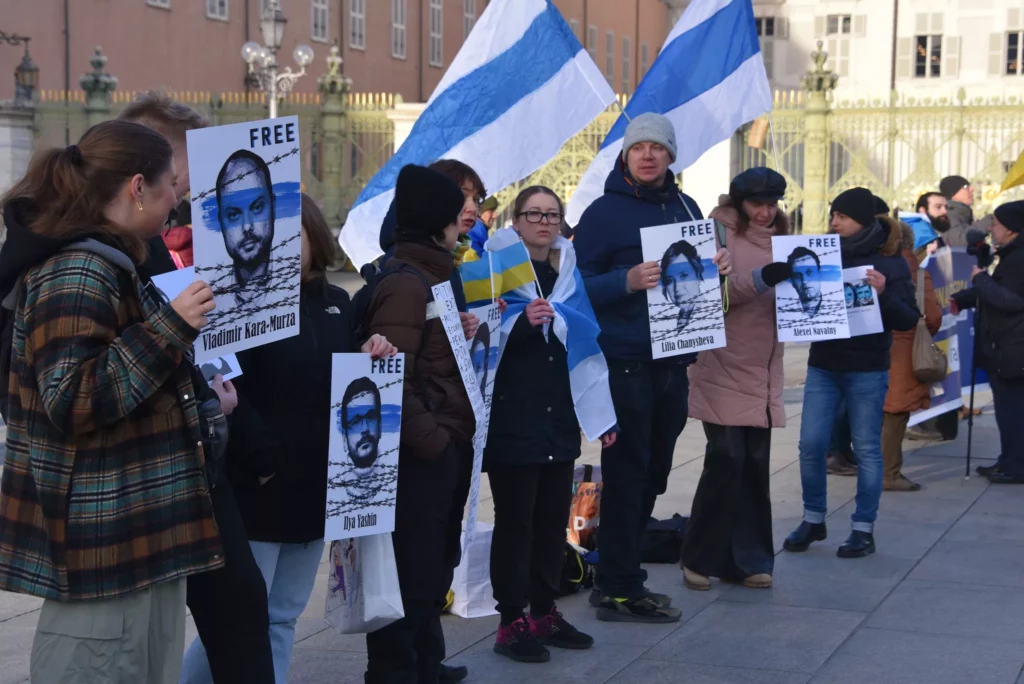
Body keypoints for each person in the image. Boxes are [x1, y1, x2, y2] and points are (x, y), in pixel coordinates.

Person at [0, 120, 221, 684]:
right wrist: (170, 328)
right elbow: (72, 399)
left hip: (135, 539)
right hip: (104, 546)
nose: (180, 197)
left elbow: (132, 389)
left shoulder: (114, 261)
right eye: (173, 183)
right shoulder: (78, 269)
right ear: (138, 186)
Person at [181, 196, 396, 684]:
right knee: (241, 620)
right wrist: (263, 459)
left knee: (282, 615)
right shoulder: (239, 305)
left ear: (314, 238)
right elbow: (230, 389)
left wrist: (369, 353)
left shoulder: (337, 303)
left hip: (317, 484)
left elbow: (337, 382)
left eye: (291, 235)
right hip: (260, 483)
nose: (279, 247)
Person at [120, 92, 276, 684]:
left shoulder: (153, 240)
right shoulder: (88, 259)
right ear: (139, 174)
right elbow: (83, 389)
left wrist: (212, 390)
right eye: (177, 178)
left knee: (242, 611)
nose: (184, 195)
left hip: (198, 462)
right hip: (143, 478)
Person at [573, 112, 731, 623]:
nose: (647, 155)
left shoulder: (687, 207)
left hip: (673, 362)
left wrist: (718, 267)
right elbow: (573, 291)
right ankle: (619, 584)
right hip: (624, 363)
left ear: (670, 156)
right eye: (638, 147)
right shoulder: (602, 213)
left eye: (657, 148)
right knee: (628, 472)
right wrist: (625, 281)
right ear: (625, 156)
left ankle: (619, 570)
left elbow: (703, 281)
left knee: (655, 473)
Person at [484, 186, 616, 662]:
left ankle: (544, 610)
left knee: (549, 525)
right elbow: (474, 335)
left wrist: (600, 414)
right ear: (515, 221)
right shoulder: (494, 268)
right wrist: (519, 324)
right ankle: (510, 621)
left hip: (557, 417)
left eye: (552, 214)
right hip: (512, 417)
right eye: (533, 214)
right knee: (515, 524)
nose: (543, 222)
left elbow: (587, 343)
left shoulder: (568, 274)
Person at [362, 165, 476, 683]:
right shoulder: (407, 284)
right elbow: (389, 375)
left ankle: (426, 664)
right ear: (438, 223)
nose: (464, 224)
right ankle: (397, 672)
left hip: (442, 441)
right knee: (409, 572)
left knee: (431, 568)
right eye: (457, 215)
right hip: (420, 454)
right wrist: (434, 442)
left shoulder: (435, 274)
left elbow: (429, 357)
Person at [784, 187, 919, 559]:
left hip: (867, 368)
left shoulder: (890, 261)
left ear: (861, 220)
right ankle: (813, 518)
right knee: (810, 445)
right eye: (833, 215)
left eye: (841, 216)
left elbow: (908, 317)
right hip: (824, 364)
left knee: (868, 449)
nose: (834, 222)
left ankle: (863, 527)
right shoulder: (819, 255)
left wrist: (885, 291)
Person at [682, 167, 790, 591]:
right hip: (721, 363)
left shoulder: (786, 238)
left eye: (771, 204)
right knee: (725, 461)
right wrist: (762, 279)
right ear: (738, 204)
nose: (765, 212)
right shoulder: (716, 234)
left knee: (754, 467)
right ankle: (699, 557)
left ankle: (749, 561)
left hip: (764, 369)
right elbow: (709, 295)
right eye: (756, 204)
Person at [950, 200, 1024, 484]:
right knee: (1007, 409)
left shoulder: (1019, 259)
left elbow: (1010, 299)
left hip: (1014, 347)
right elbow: (998, 291)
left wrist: (980, 280)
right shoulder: (1009, 254)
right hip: (1005, 346)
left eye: (996, 224)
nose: (991, 229)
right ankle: (1008, 459)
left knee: (1013, 410)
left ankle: (1016, 464)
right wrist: (964, 298)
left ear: (1012, 229)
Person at [882, 220, 943, 491]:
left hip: (872, 348)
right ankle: (889, 474)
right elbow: (933, 317)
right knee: (894, 416)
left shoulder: (873, 266)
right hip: (904, 351)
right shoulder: (917, 273)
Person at [213, 149, 277, 311]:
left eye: (257, 207)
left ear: (273, 207)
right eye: (234, 214)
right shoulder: (206, 299)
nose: (247, 226)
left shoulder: (297, 286)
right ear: (221, 222)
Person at [660, 239, 705, 331]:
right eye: (669, 281)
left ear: (698, 275)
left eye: (684, 276)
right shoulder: (671, 322)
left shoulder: (709, 317)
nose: (677, 288)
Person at [940, 175, 994, 247]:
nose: (971, 189)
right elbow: (959, 239)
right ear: (953, 193)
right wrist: (989, 221)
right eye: (965, 187)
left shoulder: (961, 213)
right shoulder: (949, 214)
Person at [786, 247, 823, 318]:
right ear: (792, 282)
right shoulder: (785, 313)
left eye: (809, 272)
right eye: (797, 276)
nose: (805, 281)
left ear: (820, 274)